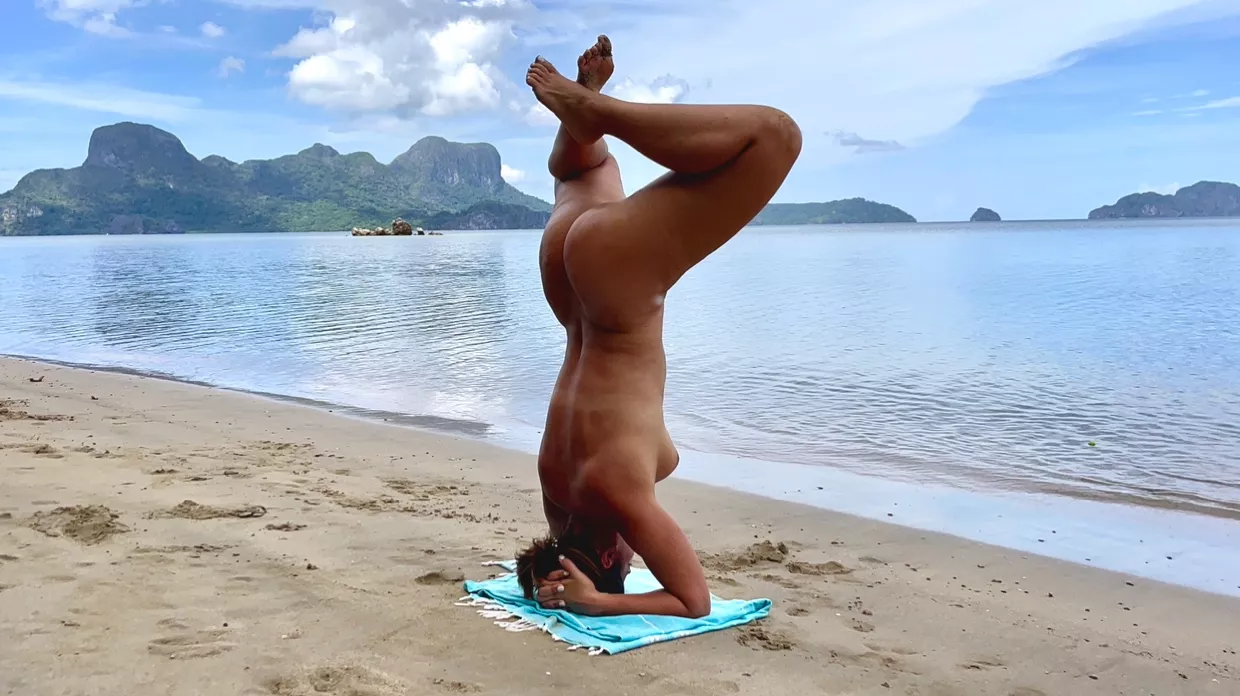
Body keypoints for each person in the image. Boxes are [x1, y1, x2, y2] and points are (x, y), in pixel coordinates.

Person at [515, 35, 802, 618]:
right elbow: (557, 549)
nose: (633, 552)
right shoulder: (558, 489)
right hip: (567, 291)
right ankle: (584, 111)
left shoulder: (617, 498)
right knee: (583, 169)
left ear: (607, 552)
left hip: (615, 295)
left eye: (626, 559)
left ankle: (598, 111)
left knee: (773, 137)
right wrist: (556, 576)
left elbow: (692, 600)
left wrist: (597, 601)